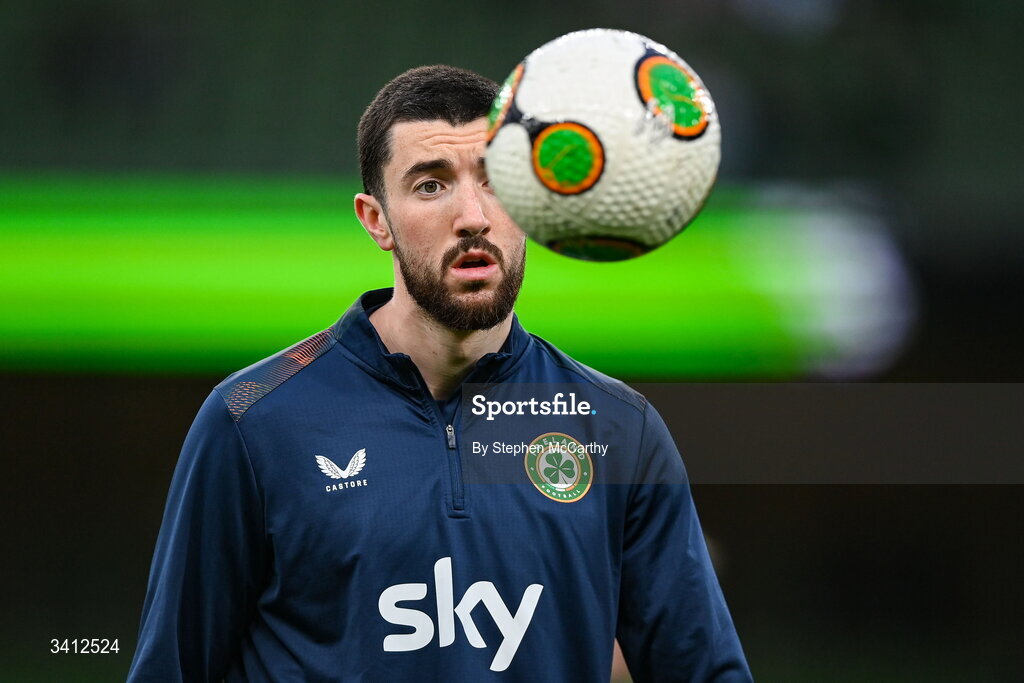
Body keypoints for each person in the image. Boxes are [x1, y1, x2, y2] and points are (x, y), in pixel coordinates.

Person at [128, 65, 751, 682]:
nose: (473, 215)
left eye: (497, 181)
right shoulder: (253, 420)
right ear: (376, 220)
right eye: (431, 185)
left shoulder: (619, 431)